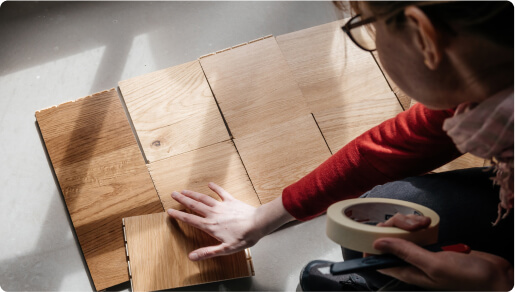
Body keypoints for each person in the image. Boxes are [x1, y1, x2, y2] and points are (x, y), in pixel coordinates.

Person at [166, 1, 514, 290]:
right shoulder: (486, 86)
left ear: (423, 36)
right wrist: (261, 218)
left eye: (368, 27)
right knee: (373, 222)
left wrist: (500, 284)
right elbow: (388, 149)